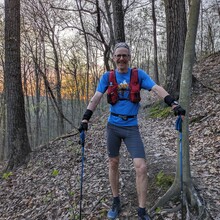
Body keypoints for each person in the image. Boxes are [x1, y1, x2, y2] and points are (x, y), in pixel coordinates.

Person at [79, 42, 185, 220]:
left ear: (129, 57)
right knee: (113, 162)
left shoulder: (138, 75)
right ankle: (116, 200)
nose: (121, 58)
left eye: (124, 55)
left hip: (131, 128)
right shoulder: (108, 76)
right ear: (113, 58)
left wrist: (172, 103)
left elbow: (156, 88)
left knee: (141, 167)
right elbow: (97, 96)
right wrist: (85, 117)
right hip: (113, 126)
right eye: (118, 55)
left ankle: (142, 210)